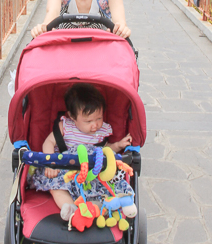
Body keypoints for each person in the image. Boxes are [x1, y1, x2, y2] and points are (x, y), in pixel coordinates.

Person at [28, 83, 136, 221]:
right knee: (56, 187)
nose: (95, 125)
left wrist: (118, 145)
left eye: (99, 118)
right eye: (88, 121)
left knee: (107, 184)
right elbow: (48, 143)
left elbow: (105, 149)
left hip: (91, 174)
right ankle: (71, 208)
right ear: (73, 117)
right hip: (65, 170)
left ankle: (98, 207)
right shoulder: (65, 127)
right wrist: (51, 163)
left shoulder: (102, 131)